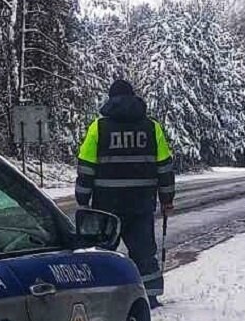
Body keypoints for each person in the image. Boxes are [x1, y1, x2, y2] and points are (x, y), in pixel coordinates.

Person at [74, 79, 175, 306]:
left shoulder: (98, 128)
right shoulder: (152, 127)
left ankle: (101, 298)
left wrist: (82, 198)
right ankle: (150, 296)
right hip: (141, 203)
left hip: (106, 204)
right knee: (144, 251)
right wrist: (167, 199)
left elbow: (86, 167)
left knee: (102, 253)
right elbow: (165, 167)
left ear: (111, 100)